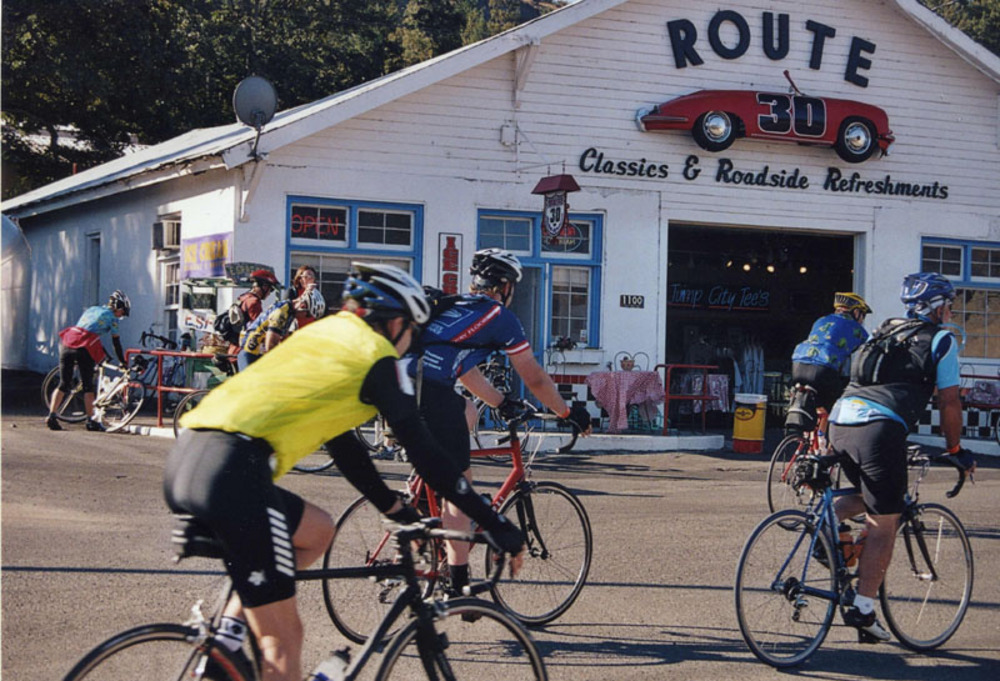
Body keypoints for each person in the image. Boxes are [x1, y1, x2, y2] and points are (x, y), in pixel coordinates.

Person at [164, 263, 525, 681]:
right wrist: (492, 521)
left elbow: (343, 443)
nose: (415, 343)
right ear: (394, 323)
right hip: (233, 475)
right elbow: (426, 454)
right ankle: (233, 651)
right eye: (414, 330)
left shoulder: (324, 337)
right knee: (283, 641)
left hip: (191, 457)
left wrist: (392, 506)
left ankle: (226, 639)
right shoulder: (379, 359)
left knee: (317, 530)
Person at [410, 247, 593, 595]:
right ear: (505, 285)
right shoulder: (498, 316)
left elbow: (461, 367)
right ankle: (458, 585)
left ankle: (420, 492)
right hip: (428, 391)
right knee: (459, 490)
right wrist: (569, 413)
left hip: (401, 386)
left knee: (466, 410)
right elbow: (536, 378)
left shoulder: (458, 306)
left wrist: (501, 401)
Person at [828, 272, 975, 642]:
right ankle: (862, 608)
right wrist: (955, 449)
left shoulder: (886, 330)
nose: (951, 311)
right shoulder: (941, 340)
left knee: (873, 496)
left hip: (840, 420)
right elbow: (950, 400)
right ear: (940, 307)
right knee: (884, 521)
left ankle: (827, 523)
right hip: (879, 428)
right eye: (950, 304)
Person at [785, 292, 872, 436]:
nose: (863, 319)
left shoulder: (821, 320)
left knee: (816, 403)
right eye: (863, 314)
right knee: (837, 406)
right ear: (855, 312)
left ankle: (808, 439)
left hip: (798, 365)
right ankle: (823, 443)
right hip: (823, 370)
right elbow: (867, 353)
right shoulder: (857, 329)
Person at [46, 290, 131, 432]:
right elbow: (116, 343)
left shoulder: (92, 309)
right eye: (122, 313)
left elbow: (88, 330)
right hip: (84, 348)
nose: (121, 316)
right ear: (119, 308)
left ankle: (52, 415)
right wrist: (122, 361)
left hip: (69, 342)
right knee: (88, 386)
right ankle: (90, 421)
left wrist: (104, 353)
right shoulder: (113, 319)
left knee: (63, 383)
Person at [236, 287, 326, 371]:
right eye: (308, 315)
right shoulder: (281, 313)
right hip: (250, 353)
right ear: (302, 306)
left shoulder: (289, 312)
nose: (306, 318)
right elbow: (271, 345)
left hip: (258, 353)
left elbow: (284, 340)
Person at [225, 269, 280, 355]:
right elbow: (258, 328)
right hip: (244, 350)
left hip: (234, 349)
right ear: (264, 286)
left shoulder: (243, 297)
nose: (269, 293)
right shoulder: (254, 302)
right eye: (271, 289)